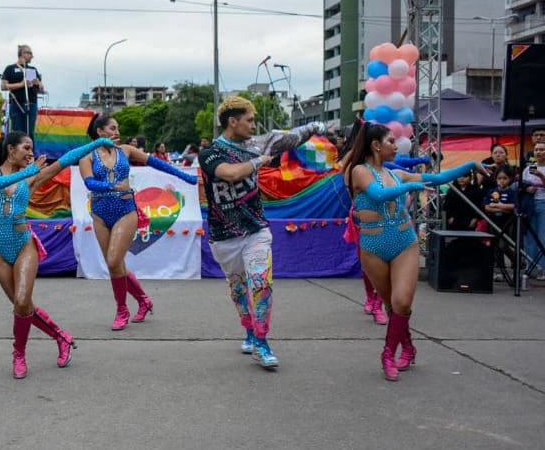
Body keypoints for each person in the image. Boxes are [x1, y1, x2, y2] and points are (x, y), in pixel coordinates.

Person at [345, 122, 485, 380]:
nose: (396, 146)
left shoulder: (397, 173)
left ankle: (388, 354)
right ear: (376, 145)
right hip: (373, 247)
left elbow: (439, 178)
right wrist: (412, 187)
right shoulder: (359, 172)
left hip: (404, 243)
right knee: (391, 305)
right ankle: (408, 346)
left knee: (401, 302)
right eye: (391, 141)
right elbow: (378, 195)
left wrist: (471, 164)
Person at [199, 96, 326, 370]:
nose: (253, 125)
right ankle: (248, 329)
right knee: (238, 289)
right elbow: (231, 173)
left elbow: (289, 139)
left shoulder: (258, 144)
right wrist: (259, 162)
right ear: (232, 121)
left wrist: (313, 127)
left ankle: (261, 341)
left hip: (256, 230)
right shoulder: (210, 153)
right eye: (249, 120)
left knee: (261, 284)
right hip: (223, 237)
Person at [0, 132, 111, 378]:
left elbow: (67, 158)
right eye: (26, 147)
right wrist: (27, 173)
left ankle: (18, 354)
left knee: (21, 302)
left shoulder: (32, 177)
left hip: (23, 243)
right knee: (23, 306)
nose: (31, 152)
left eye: (32, 148)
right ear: (10, 149)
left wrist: (97, 143)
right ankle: (61, 337)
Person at [80, 115, 197, 330]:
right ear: (99, 132)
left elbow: (158, 164)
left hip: (125, 210)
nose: (117, 132)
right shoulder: (87, 156)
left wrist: (186, 177)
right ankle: (143, 300)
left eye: (118, 128)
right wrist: (111, 186)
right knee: (115, 264)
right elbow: (89, 182)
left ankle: (121, 310)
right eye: (112, 128)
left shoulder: (125, 151)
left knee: (114, 261)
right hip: (99, 213)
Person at [0, 44, 44, 137]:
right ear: (23, 53)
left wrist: (38, 84)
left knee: (30, 132)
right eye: (30, 53)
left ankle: (30, 150)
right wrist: (21, 84)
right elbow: (3, 86)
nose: (32, 56)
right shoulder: (10, 69)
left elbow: (40, 88)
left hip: (31, 104)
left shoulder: (32, 69)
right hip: (17, 104)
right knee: (18, 132)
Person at [521, 142, 545, 279]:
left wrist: (541, 176)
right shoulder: (528, 168)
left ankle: (543, 268)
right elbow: (523, 185)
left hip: (543, 203)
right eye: (536, 150)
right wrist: (527, 188)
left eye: (542, 150)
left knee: (543, 236)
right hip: (530, 203)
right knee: (530, 237)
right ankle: (530, 267)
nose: (539, 152)